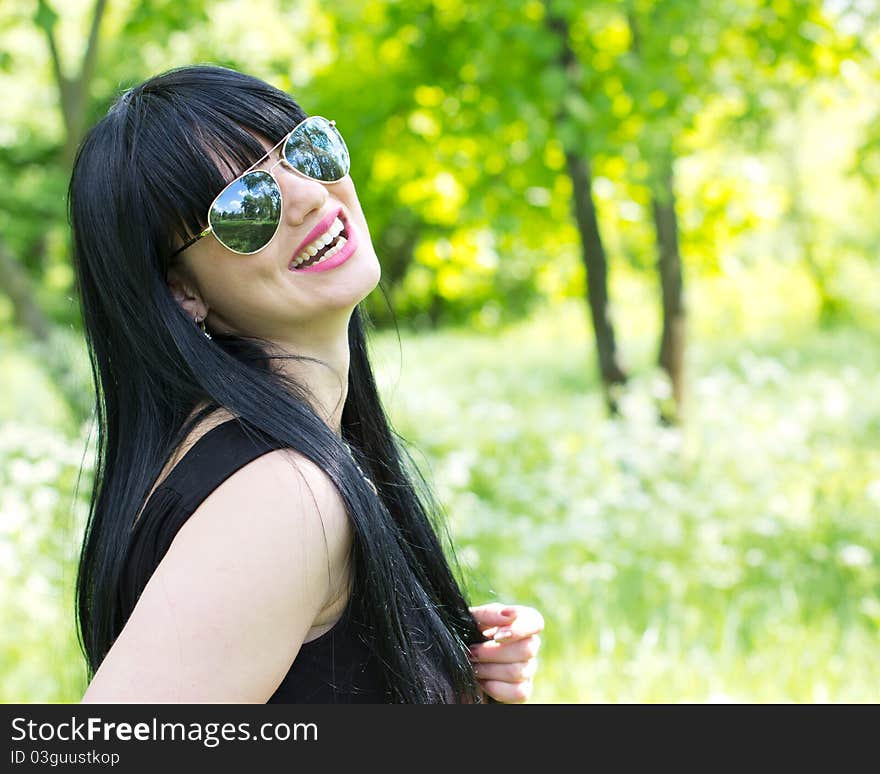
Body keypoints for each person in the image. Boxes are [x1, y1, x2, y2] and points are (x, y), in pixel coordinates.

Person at [69, 64, 543, 703]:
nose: (308, 197)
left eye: (306, 150)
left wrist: (440, 675)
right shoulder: (281, 497)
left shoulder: (268, 463)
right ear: (182, 291)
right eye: (243, 205)